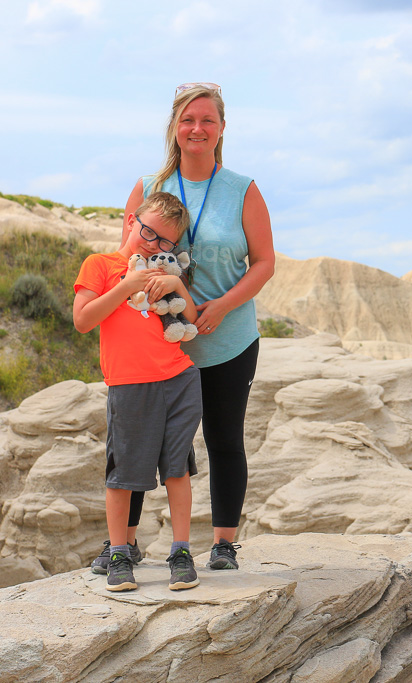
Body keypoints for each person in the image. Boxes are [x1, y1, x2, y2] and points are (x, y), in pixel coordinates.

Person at [94, 81, 275, 572]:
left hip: (226, 338)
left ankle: (222, 544)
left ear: (221, 129)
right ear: (175, 128)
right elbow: (124, 260)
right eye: (188, 120)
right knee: (137, 444)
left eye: (207, 120)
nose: (197, 128)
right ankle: (123, 544)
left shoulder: (243, 189)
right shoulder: (148, 188)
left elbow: (263, 263)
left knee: (223, 439)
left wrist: (220, 307)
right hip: (155, 343)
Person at [73, 192, 203, 592]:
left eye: (166, 242)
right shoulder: (101, 265)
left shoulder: (165, 270)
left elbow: (192, 317)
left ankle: (180, 552)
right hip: (129, 386)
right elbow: (82, 319)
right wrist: (126, 285)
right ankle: (119, 553)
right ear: (132, 221)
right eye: (148, 232)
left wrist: (177, 284)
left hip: (179, 379)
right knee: (123, 475)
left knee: (177, 470)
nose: (153, 244)